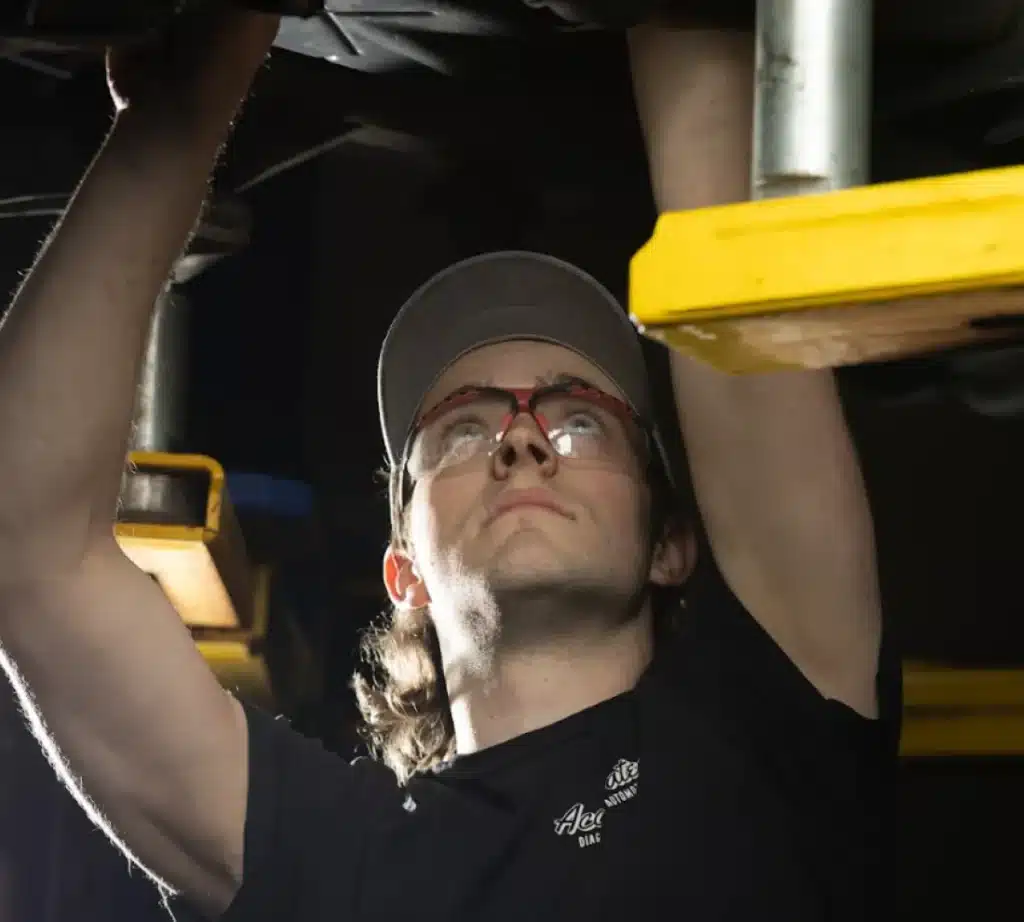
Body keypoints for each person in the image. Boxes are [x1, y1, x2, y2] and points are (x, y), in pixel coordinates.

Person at [0, 8, 898, 922]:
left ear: (671, 545)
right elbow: (26, 544)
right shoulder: (343, 863)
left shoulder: (771, 735)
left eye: (580, 421)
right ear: (406, 571)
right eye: (463, 431)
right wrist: (180, 110)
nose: (521, 440)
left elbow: (710, 140)